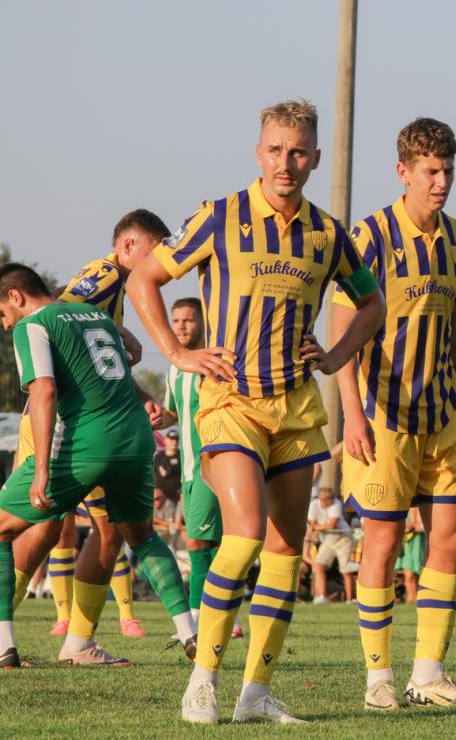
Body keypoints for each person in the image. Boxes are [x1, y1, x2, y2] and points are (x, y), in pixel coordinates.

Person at [127, 99, 386, 724]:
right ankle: (202, 681)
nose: (285, 162)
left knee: (284, 549)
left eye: (297, 152)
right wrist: (177, 353)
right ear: (258, 153)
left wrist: (335, 357)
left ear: (315, 158)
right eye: (275, 150)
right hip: (230, 401)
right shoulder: (219, 216)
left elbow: (373, 304)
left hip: (295, 408)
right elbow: (142, 278)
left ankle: (255, 694)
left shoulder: (328, 234)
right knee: (243, 535)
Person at [331, 117, 456, 711]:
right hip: (384, 417)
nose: (441, 181)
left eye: (448, 170)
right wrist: (351, 415)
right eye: (431, 171)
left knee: (450, 537)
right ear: (403, 171)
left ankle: (428, 676)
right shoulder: (370, 235)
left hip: (443, 417)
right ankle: (378, 678)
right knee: (383, 541)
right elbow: (342, 328)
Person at [0, 264, 195, 670]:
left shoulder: (32, 325)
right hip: (137, 440)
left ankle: (3, 645)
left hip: (86, 445)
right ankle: (189, 631)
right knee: (141, 537)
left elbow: (45, 391)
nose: (5, 324)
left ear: (15, 297)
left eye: (2, 313)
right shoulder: (96, 314)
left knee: (3, 528)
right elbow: (123, 365)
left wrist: (41, 469)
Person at [8, 209, 171, 641]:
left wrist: (141, 394)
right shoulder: (105, 273)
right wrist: (123, 336)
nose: (163, 263)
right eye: (156, 251)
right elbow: (59, 314)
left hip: (91, 425)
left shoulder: (118, 287)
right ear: (129, 246)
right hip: (63, 421)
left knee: (107, 531)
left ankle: (79, 642)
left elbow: (97, 361)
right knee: (41, 525)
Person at [159, 297, 238, 636]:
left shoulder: (218, 362)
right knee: (214, 543)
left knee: (198, 543)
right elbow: (172, 412)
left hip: (213, 465)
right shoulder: (175, 366)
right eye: (176, 320)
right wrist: (155, 416)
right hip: (189, 470)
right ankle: (225, 617)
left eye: (188, 320)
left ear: (203, 323)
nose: (180, 326)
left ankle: (197, 621)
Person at [307, 487, 354, 603]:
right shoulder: (313, 505)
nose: (332, 500)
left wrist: (317, 527)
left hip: (343, 539)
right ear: (322, 499)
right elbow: (312, 523)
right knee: (319, 566)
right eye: (329, 498)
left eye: (332, 498)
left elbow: (332, 524)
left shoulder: (336, 503)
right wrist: (318, 526)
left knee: (345, 569)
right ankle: (323, 597)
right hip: (327, 541)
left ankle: (349, 599)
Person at [394, 508, 425, 602]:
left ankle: (414, 599)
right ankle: (411, 598)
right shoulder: (403, 507)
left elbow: (420, 526)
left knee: (413, 574)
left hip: (416, 543)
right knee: (408, 574)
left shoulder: (418, 507)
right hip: (405, 543)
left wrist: (409, 526)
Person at [155, 432, 183, 503]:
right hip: (160, 500)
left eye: (176, 440)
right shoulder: (159, 457)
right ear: (165, 441)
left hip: (176, 499)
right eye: (171, 440)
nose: (174, 442)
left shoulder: (182, 457)